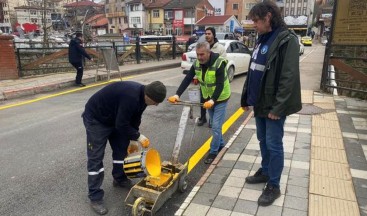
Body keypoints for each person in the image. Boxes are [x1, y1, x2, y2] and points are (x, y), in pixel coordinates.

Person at [240, 2, 302, 206]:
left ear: (268, 17)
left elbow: (288, 77)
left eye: (256, 21)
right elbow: (254, 70)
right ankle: (265, 172)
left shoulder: (287, 40)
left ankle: (274, 185)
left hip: (273, 105)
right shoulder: (262, 38)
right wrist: (246, 97)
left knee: (274, 144)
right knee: (262, 140)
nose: (254, 25)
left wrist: (279, 107)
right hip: (259, 102)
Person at [83, 81, 167, 215]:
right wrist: (138, 136)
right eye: (155, 101)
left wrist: (133, 138)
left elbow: (135, 118)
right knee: (96, 158)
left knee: (121, 149)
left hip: (116, 118)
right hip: (97, 119)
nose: (156, 104)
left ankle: (119, 178)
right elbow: (122, 124)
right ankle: (95, 197)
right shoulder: (131, 97)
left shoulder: (143, 98)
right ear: (149, 95)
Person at [168, 41, 230, 164]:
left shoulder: (219, 63)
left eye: (202, 54)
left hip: (221, 98)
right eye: (198, 54)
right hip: (208, 98)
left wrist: (213, 100)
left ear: (209, 52)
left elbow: (220, 84)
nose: (199, 57)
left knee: (216, 126)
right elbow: (187, 78)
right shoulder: (196, 63)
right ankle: (221, 144)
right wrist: (177, 94)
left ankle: (213, 152)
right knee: (214, 124)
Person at [195, 27, 227, 127]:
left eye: (209, 33)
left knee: (213, 103)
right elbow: (198, 65)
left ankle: (212, 121)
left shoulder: (220, 48)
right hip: (205, 81)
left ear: (213, 35)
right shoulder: (202, 46)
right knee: (203, 99)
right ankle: (203, 117)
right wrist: (197, 75)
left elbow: (223, 63)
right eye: (206, 33)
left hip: (216, 80)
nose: (207, 35)